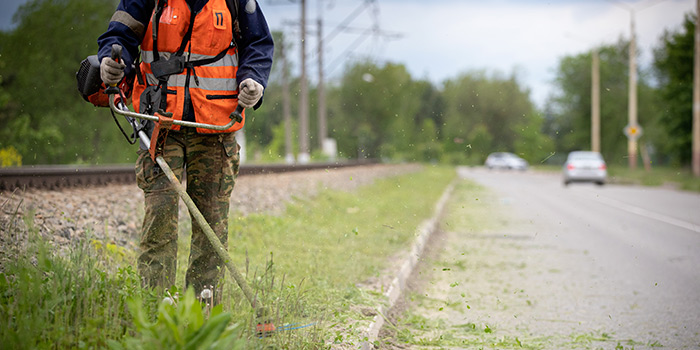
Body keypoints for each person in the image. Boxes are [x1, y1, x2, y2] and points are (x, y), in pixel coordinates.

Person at [97, 0, 273, 292]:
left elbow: (258, 43)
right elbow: (119, 37)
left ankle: (203, 315)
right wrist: (111, 61)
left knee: (211, 226)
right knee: (160, 222)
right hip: (159, 123)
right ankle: (156, 312)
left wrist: (254, 79)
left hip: (216, 126)